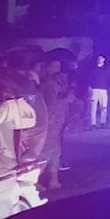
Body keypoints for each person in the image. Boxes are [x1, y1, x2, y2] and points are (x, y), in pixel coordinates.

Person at [42, 58, 69, 189]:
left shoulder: (50, 83)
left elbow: (49, 103)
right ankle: (51, 180)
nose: (55, 70)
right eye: (53, 66)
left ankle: (50, 180)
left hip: (52, 119)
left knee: (48, 149)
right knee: (51, 149)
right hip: (55, 119)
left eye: (58, 67)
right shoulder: (55, 83)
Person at [89, 55, 110, 129]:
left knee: (104, 107)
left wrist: (108, 88)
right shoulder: (93, 69)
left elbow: (108, 79)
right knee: (93, 107)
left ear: (104, 59)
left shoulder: (106, 69)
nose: (99, 60)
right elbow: (90, 79)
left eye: (101, 58)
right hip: (94, 89)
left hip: (103, 90)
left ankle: (103, 122)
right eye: (98, 59)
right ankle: (93, 123)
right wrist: (90, 88)